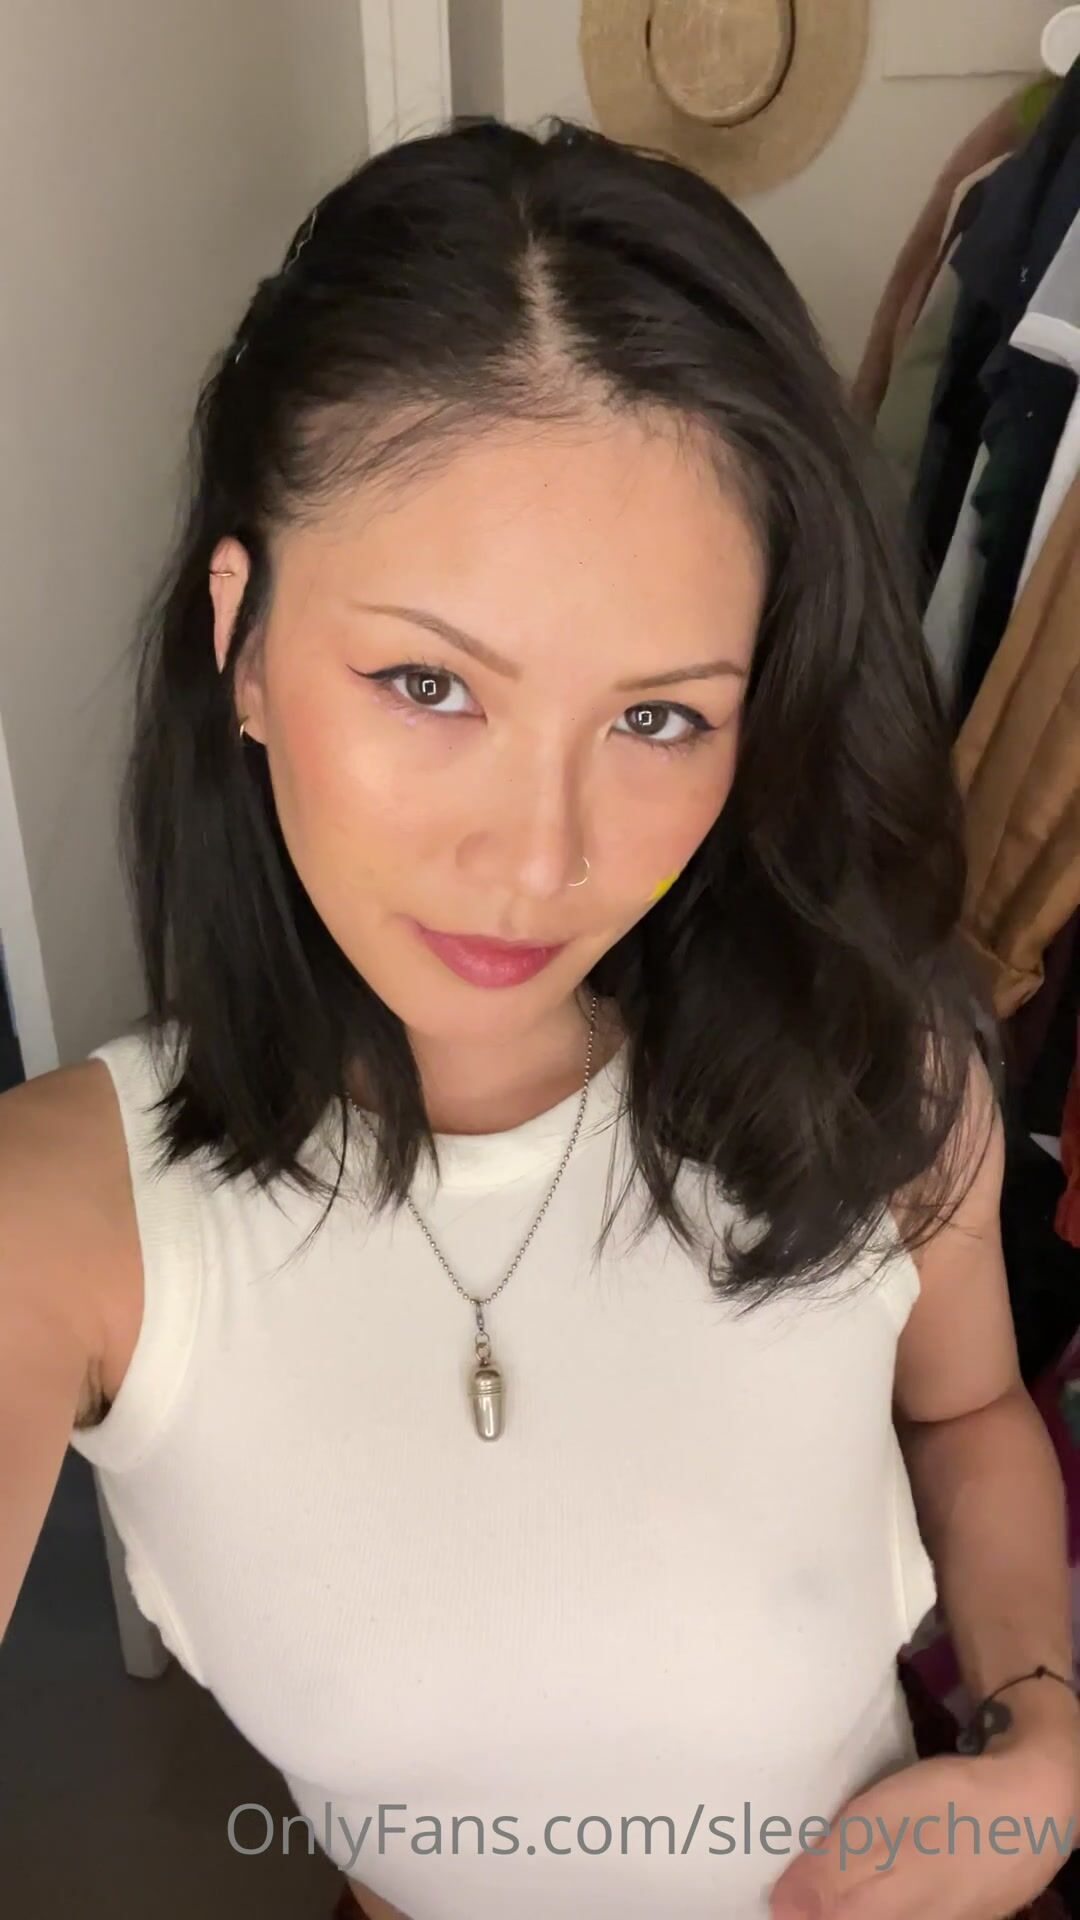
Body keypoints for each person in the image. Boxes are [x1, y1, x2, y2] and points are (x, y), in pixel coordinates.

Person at [2, 116, 1077, 1920]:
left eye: (660, 718)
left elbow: (967, 1417)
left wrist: (1041, 1740)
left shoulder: (876, 1067)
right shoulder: (66, 1224)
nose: (542, 860)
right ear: (243, 638)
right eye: (431, 683)